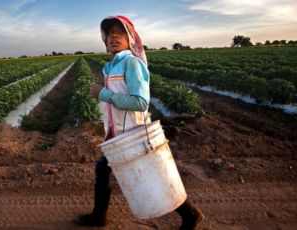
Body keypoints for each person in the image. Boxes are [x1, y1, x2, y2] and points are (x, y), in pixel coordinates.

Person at [74, 15, 204, 229]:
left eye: (121, 31)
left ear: (131, 38)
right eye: (110, 33)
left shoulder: (131, 62)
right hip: (118, 133)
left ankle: (190, 214)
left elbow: (141, 102)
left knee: (153, 174)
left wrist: (104, 94)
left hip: (133, 133)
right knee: (104, 168)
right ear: (104, 39)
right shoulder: (112, 66)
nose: (114, 36)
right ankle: (99, 216)